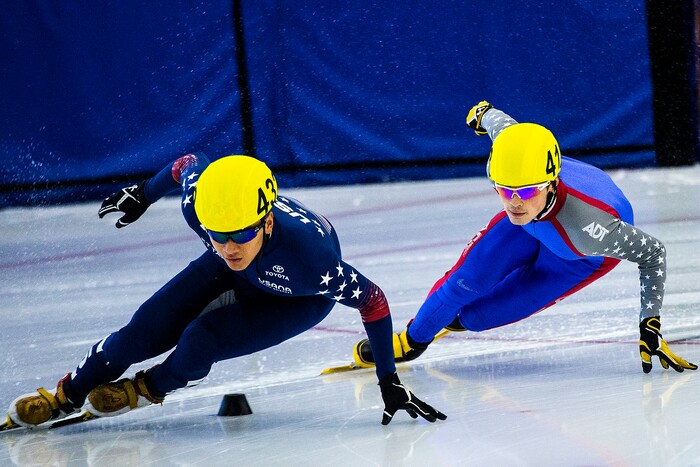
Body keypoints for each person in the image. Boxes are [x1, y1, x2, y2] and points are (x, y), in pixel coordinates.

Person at [7, 154, 446, 428]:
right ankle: (67, 394)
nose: (230, 246)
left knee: (200, 341)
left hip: (295, 298)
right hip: (235, 276)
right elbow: (184, 165)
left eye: (240, 235)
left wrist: (388, 378)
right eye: (218, 236)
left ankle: (147, 389)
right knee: (139, 334)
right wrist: (143, 194)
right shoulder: (201, 206)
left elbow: (374, 300)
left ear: (267, 221)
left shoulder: (312, 262)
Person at [353, 101, 697, 375]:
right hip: (536, 228)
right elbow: (502, 125)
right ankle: (413, 341)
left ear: (550, 181)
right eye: (504, 190)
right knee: (464, 284)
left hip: (573, 258)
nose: (515, 202)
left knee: (474, 317)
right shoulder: (515, 157)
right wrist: (483, 113)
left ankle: (451, 322)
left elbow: (652, 253)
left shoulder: (593, 229)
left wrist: (649, 322)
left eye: (528, 190)